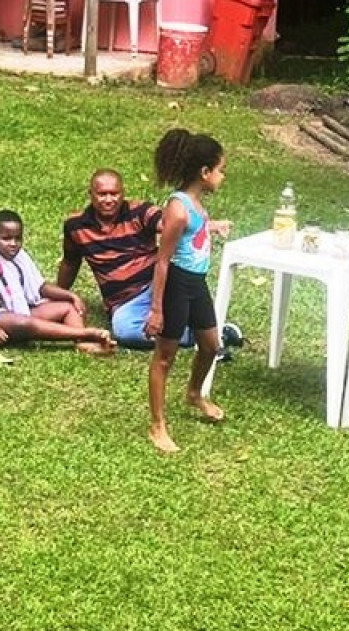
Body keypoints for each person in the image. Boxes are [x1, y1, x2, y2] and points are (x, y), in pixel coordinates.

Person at [57, 169, 242, 352]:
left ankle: (207, 333)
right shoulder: (76, 227)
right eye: (102, 194)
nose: (108, 200)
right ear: (91, 194)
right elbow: (70, 262)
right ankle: (199, 336)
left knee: (180, 292)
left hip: (158, 285)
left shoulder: (139, 211)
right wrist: (58, 295)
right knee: (125, 330)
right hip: (124, 301)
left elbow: (171, 224)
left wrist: (208, 226)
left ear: (123, 194)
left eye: (114, 194)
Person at [144, 129, 232, 454]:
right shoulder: (178, 209)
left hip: (197, 283)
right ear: (204, 172)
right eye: (220, 170)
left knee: (210, 345)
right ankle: (157, 425)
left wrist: (212, 226)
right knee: (164, 358)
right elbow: (163, 260)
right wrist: (156, 309)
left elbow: (191, 231)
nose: (222, 177)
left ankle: (194, 394)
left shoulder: (195, 205)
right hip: (177, 284)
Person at [0, 210, 113, 354]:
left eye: (18, 238)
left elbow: (40, 288)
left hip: (19, 309)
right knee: (26, 323)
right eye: (6, 238)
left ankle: (82, 343)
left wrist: (71, 296)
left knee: (68, 307)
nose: (13, 243)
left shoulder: (21, 258)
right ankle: (86, 333)